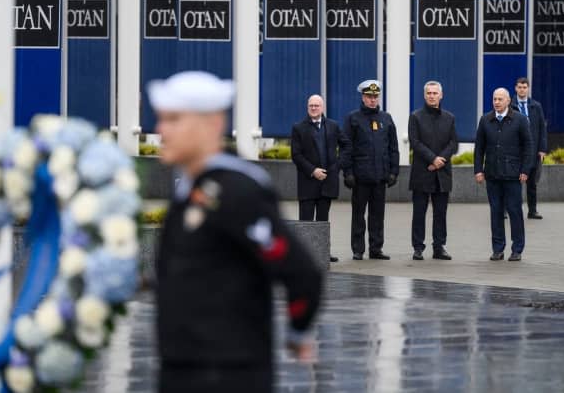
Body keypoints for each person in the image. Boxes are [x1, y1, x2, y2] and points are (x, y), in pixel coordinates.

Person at [149, 71, 322, 393]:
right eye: (161, 119)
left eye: (174, 120)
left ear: (212, 124)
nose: (161, 130)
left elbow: (301, 273)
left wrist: (298, 332)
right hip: (182, 366)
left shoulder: (238, 190)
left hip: (228, 371)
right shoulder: (193, 188)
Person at [341, 80, 399, 261]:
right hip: (360, 177)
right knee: (358, 214)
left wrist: (393, 172)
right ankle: (358, 249)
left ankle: (376, 248)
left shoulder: (386, 118)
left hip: (380, 176)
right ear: (363, 97)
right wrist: (348, 172)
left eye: (375, 96)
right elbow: (346, 147)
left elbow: (393, 148)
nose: (372, 100)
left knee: (377, 215)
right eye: (369, 97)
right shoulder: (353, 119)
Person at [474, 88, 533, 262]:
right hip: (492, 174)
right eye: (494, 99)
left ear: (508, 101)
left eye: (500, 99)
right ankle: (498, 249)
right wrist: (478, 170)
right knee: (496, 212)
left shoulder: (520, 120)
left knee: (515, 212)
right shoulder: (485, 120)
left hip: (513, 175)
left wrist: (525, 170)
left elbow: (528, 147)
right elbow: (479, 148)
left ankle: (517, 249)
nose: (496, 102)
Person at [408, 81, 458, 261]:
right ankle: (418, 247)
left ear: (441, 95)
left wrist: (440, 161)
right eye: (428, 93)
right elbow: (415, 142)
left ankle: (439, 246)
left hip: (442, 174)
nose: (431, 96)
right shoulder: (416, 117)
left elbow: (453, 143)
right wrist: (432, 159)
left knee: (440, 213)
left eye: (435, 93)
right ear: (424, 95)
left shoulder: (449, 117)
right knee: (419, 212)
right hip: (422, 172)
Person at [290, 94, 341, 262]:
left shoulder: (332, 126)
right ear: (307, 107)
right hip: (308, 181)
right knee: (305, 221)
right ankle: (304, 256)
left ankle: (323, 252)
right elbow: (296, 155)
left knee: (322, 220)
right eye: (311, 105)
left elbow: (347, 145)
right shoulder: (298, 128)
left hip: (327, 182)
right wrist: (313, 170)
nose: (313, 108)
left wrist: (337, 165)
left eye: (316, 105)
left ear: (323, 107)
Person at [510, 77, 548, 219]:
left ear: (528, 88)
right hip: (514, 151)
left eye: (524, 87)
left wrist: (542, 149)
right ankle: (508, 210)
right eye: (519, 87)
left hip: (531, 151)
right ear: (515, 88)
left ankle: (532, 210)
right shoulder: (510, 105)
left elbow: (542, 129)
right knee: (512, 183)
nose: (522, 89)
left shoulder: (536, 106)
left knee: (532, 183)